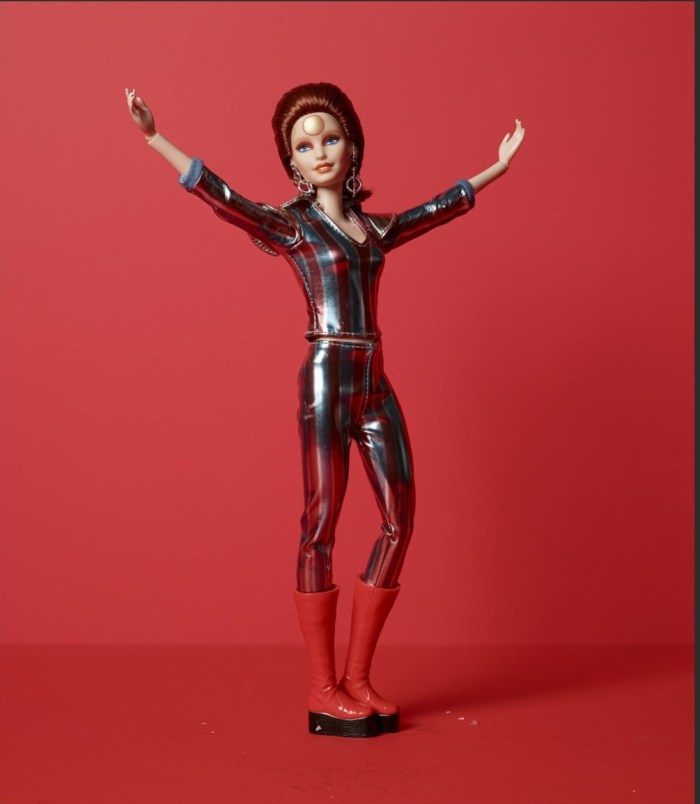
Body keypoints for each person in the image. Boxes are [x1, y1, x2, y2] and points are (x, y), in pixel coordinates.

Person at [125, 82, 525, 738]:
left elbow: (434, 210)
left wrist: (496, 168)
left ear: (353, 147)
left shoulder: (374, 230)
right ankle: (322, 688)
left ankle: (358, 678)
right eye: (304, 146)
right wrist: (154, 137)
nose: (320, 152)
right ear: (291, 162)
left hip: (374, 378)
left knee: (400, 516)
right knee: (321, 524)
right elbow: (222, 196)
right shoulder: (293, 227)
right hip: (327, 376)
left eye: (330, 138)